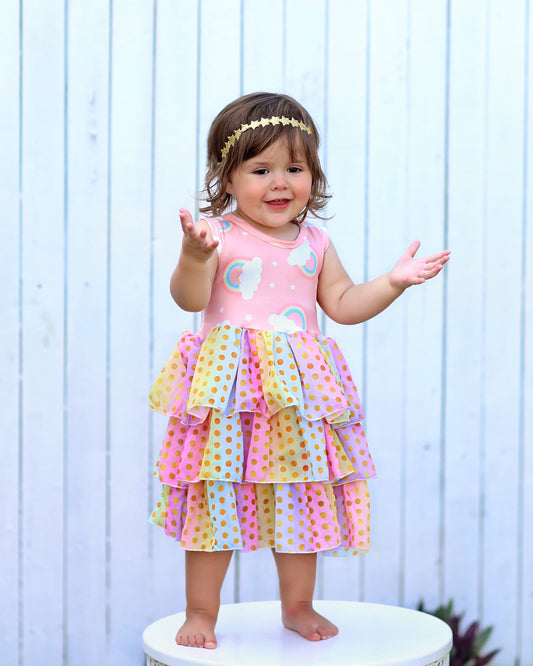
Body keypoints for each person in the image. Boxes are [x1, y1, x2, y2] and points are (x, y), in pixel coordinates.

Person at [149, 92, 450, 650]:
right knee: (219, 497)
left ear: (314, 174)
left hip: (298, 396)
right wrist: (193, 257)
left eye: (295, 168)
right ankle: (200, 611)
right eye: (260, 169)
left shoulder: (315, 241)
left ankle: (298, 604)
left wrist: (393, 281)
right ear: (228, 176)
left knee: (301, 494)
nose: (280, 182)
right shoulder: (220, 234)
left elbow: (342, 304)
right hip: (232, 394)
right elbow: (189, 298)